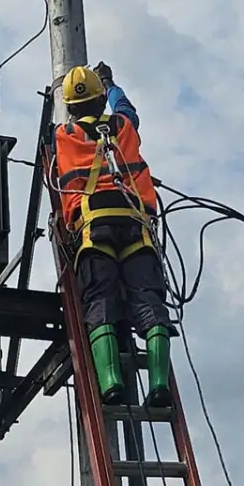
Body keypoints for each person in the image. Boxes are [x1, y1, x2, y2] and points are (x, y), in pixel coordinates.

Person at [51, 62, 177, 407]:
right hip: (137, 226)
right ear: (100, 100)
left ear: (71, 107)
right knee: (149, 301)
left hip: (93, 230)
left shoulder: (64, 136)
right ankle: (159, 383)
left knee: (100, 301)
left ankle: (110, 383)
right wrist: (110, 83)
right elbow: (125, 108)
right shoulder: (123, 127)